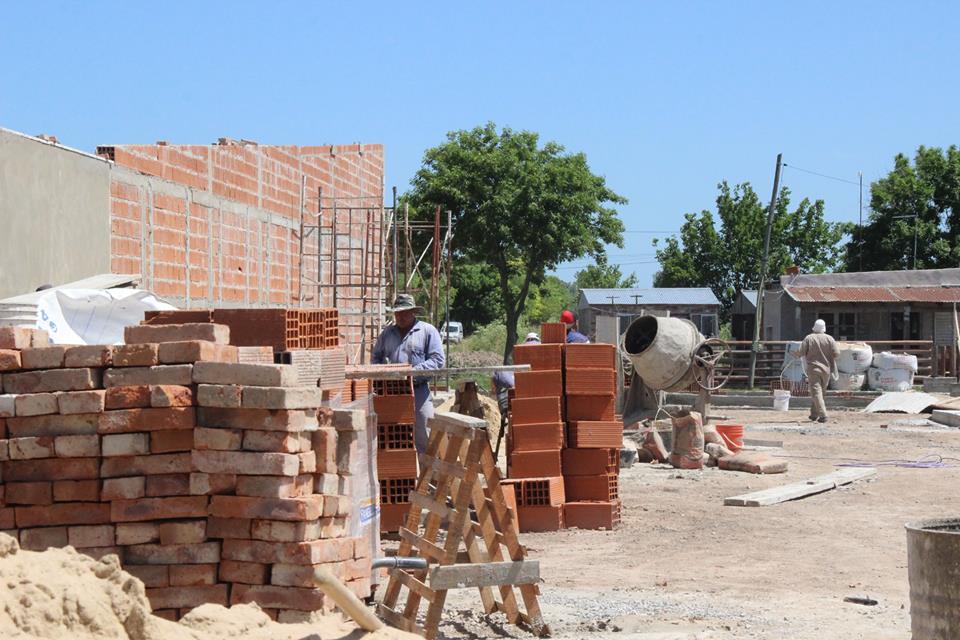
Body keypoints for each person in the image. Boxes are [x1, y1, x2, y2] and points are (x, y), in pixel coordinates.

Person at [372, 294, 445, 452]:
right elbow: (375, 358)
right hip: (391, 393)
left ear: (413, 312)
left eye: (405, 313)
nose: (401, 316)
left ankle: (425, 468)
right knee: (392, 435)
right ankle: (398, 467)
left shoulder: (427, 331)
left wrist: (411, 372)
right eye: (398, 313)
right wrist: (383, 372)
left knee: (424, 434)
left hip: (418, 391)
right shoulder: (387, 334)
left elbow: (438, 360)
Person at [798, 319, 839, 423]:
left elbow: (801, 352)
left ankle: (823, 415)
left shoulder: (809, 338)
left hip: (813, 369)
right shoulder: (830, 339)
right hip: (827, 370)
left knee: (816, 391)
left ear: (814, 327)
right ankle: (814, 414)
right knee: (821, 392)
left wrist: (794, 354)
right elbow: (836, 354)